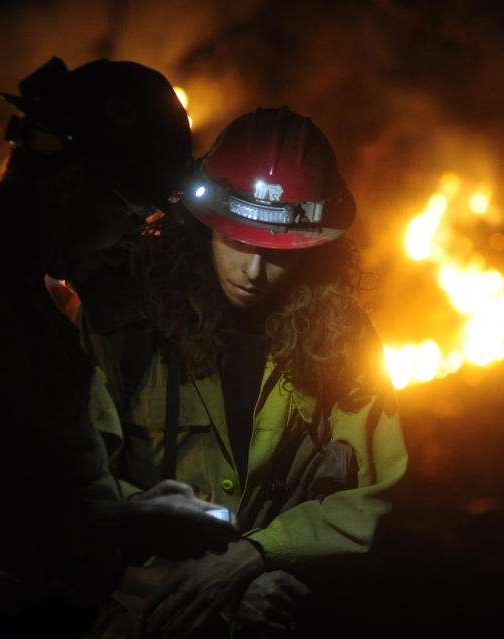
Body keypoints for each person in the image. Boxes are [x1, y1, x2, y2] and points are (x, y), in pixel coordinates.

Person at [0, 57, 236, 639]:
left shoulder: (8, 280)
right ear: (73, 180)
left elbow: (25, 472)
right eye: (133, 213)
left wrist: (128, 506)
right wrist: (130, 527)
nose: (128, 241)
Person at [78, 107, 408, 638]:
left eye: (278, 251)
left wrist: (256, 559)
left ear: (317, 248)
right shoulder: (125, 328)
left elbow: (380, 493)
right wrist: (212, 588)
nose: (253, 271)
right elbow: (78, 495)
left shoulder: (343, 337)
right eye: (236, 241)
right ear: (200, 223)